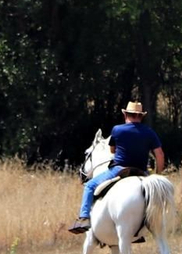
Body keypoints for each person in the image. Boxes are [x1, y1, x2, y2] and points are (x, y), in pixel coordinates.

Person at [69, 100, 165, 234]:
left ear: (126, 115)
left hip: (120, 169)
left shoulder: (117, 129)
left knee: (90, 186)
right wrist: (157, 175)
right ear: (141, 116)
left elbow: (112, 150)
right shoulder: (149, 132)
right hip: (141, 171)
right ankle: (160, 218)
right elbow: (159, 154)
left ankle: (84, 218)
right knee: (159, 192)